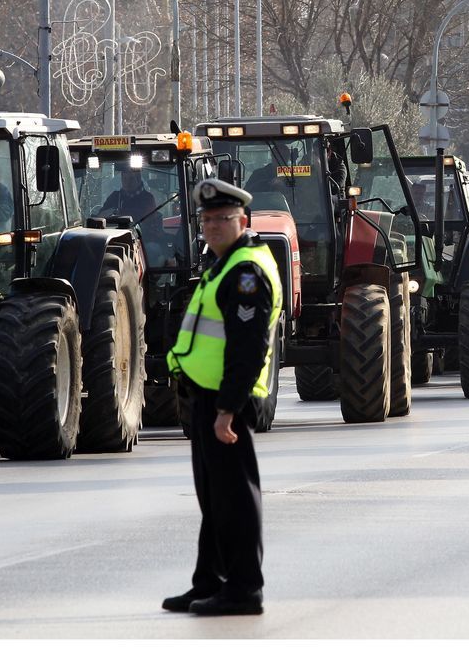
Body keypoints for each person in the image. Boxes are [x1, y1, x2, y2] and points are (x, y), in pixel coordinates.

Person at [164, 179, 283, 617]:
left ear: (243, 221)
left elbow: (246, 348)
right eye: (208, 219)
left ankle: (244, 589)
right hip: (207, 397)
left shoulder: (245, 272)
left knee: (234, 497)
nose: (213, 226)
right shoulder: (222, 264)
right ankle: (209, 581)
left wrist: (227, 410)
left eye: (223, 219)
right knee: (214, 498)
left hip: (225, 401)